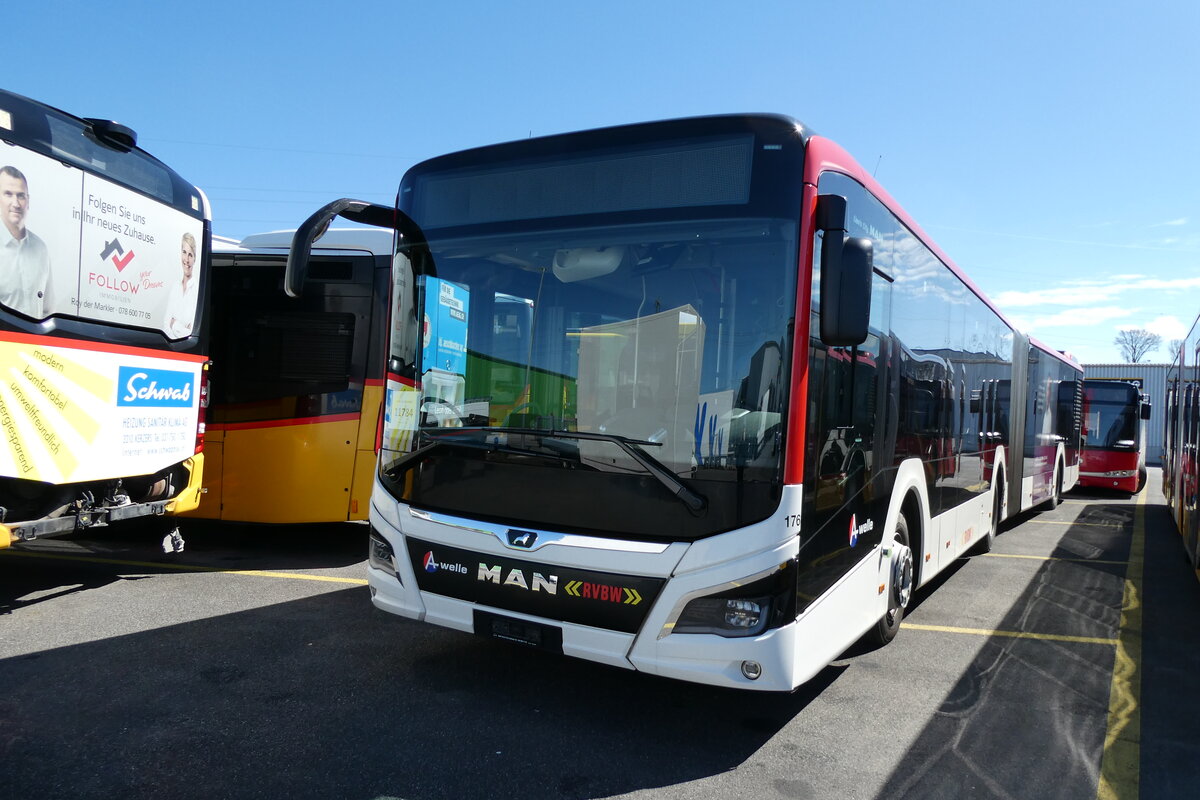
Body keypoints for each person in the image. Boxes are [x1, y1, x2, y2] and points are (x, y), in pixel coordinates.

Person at [0, 165, 50, 319]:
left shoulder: (40, 248)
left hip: (31, 334)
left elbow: (47, 309)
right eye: (8, 194)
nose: (16, 203)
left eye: (21, 196)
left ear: (28, 201)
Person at [165, 231, 198, 338]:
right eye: (184, 252)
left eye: (190, 255)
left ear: (194, 259)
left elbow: (192, 333)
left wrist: (174, 325)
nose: (186, 260)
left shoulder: (197, 291)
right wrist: (182, 329)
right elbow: (165, 326)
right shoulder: (175, 287)